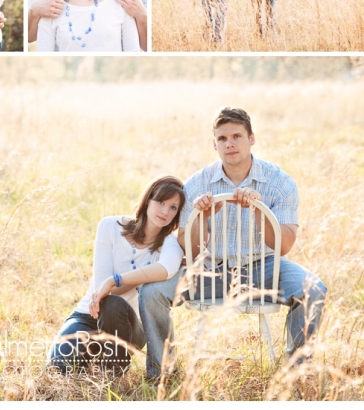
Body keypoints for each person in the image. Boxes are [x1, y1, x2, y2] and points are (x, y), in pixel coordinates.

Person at [139, 107, 327, 379]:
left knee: (314, 290)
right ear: (214, 144)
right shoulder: (197, 183)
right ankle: (161, 373)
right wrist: (201, 218)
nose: (230, 143)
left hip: (263, 268)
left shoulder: (279, 182)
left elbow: (284, 246)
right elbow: (188, 249)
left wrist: (260, 210)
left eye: (237, 136)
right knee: (151, 292)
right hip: (208, 269)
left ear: (251, 138)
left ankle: (295, 373)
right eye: (223, 138)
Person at [48, 176, 185, 375]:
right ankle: (93, 351)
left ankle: (112, 373)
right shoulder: (110, 226)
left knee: (113, 303)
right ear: (148, 200)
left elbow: (166, 269)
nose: (165, 211)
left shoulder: (170, 245)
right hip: (89, 315)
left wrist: (115, 280)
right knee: (58, 369)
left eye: (173, 208)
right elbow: (100, 288)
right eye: (161, 202)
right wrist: (114, 282)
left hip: (129, 325)